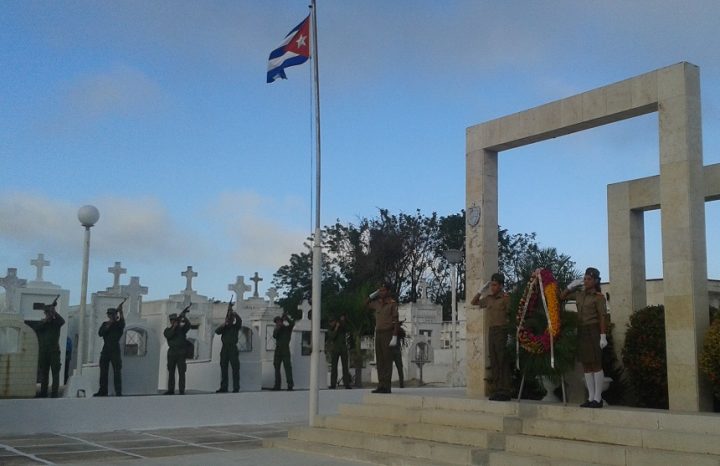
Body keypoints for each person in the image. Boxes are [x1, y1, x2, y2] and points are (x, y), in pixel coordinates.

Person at [560, 267, 608, 408]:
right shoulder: (579, 295)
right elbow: (561, 297)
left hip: (593, 330)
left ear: (595, 281)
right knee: (586, 365)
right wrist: (570, 286)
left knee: (596, 364)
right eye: (585, 278)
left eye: (589, 279)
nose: (586, 281)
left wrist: (603, 336)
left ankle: (598, 399)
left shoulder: (599, 297)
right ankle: (591, 397)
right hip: (581, 330)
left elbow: (602, 317)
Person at [471, 272, 512, 401]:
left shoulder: (506, 298)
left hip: (502, 331)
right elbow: (474, 302)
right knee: (494, 360)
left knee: (502, 361)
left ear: (500, 285)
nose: (492, 288)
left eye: (494, 285)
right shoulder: (488, 298)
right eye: (491, 285)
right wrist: (480, 291)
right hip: (492, 331)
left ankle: (505, 390)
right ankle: (497, 389)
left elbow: (511, 315)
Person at [25, 298, 65, 398]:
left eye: (50, 313)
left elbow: (62, 321)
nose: (49, 315)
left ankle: (54, 393)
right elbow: (35, 329)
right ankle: (43, 392)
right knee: (44, 373)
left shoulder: (56, 323)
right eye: (47, 313)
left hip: (54, 351)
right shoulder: (41, 324)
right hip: (43, 352)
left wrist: (54, 312)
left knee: (55, 372)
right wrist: (45, 321)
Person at [366, 283, 399, 394]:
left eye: (383, 290)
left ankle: (387, 386)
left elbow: (396, 321)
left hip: (387, 333)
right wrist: (373, 295)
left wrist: (394, 336)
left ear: (388, 291)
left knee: (387, 360)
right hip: (378, 333)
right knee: (380, 361)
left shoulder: (392, 304)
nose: (382, 292)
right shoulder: (377, 303)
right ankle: (381, 385)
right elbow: (364, 304)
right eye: (380, 291)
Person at [94, 300, 126, 397]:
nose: (111, 316)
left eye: (113, 314)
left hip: (115, 350)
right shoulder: (105, 324)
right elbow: (100, 333)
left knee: (117, 370)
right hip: (106, 349)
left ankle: (118, 391)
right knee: (103, 371)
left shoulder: (118, 325)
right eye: (110, 314)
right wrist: (109, 324)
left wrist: (121, 311)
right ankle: (103, 390)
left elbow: (122, 323)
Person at [215, 300, 242, 393]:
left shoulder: (235, 327)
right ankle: (224, 387)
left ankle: (236, 387)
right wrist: (224, 324)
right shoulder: (224, 328)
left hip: (233, 348)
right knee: (223, 367)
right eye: (228, 319)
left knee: (235, 368)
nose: (229, 321)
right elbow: (217, 331)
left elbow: (239, 321)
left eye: (231, 320)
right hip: (225, 348)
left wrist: (234, 314)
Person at [163, 309, 191, 395]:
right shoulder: (167, 330)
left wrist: (183, 317)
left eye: (175, 320)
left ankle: (181, 390)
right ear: (171, 321)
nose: (174, 321)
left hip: (181, 353)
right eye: (172, 320)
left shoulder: (182, 330)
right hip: (172, 353)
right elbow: (169, 335)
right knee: (171, 372)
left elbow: (188, 325)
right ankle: (170, 390)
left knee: (181, 372)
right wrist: (174, 327)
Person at [328, 314, 352, 389]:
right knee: (334, 367)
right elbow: (332, 337)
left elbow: (347, 329)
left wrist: (343, 321)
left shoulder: (342, 327)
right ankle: (333, 384)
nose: (332, 323)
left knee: (345, 367)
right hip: (335, 349)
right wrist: (336, 328)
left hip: (343, 349)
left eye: (333, 321)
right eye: (331, 322)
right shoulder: (330, 329)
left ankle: (347, 384)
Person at [272, 312, 295, 391]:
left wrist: (287, 318)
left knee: (287, 368)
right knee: (276, 368)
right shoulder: (277, 330)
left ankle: (290, 385)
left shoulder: (287, 329)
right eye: (276, 322)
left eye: (279, 321)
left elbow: (292, 324)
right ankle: (277, 385)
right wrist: (278, 327)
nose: (277, 323)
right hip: (278, 350)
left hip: (285, 349)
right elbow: (274, 335)